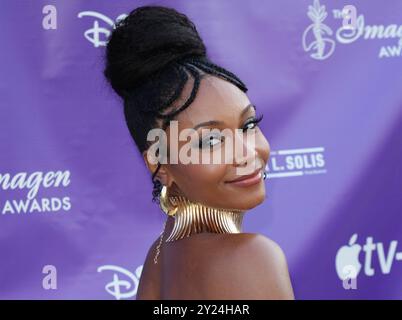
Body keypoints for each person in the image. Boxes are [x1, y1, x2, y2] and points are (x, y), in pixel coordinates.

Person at [103, 5, 294, 300]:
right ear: (159, 163)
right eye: (209, 141)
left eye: (249, 124)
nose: (246, 153)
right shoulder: (250, 258)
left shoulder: (159, 258)